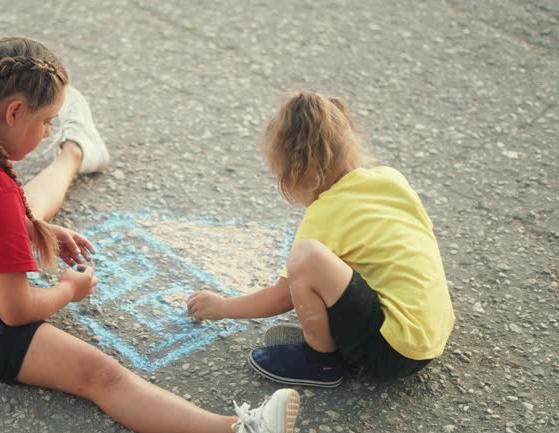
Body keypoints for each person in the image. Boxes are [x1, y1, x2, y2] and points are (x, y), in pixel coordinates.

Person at [0, 37, 300, 433]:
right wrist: (69, 289)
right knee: (101, 375)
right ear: (13, 112)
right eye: (47, 122)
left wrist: (32, 227)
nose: (45, 130)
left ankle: (76, 152)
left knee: (29, 206)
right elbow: (15, 310)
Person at [187, 91, 454, 388]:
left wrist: (222, 307)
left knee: (307, 258)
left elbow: (283, 296)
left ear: (303, 172)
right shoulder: (390, 179)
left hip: (390, 352)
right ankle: (338, 340)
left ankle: (321, 362)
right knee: (339, 262)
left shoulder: (327, 212)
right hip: (430, 334)